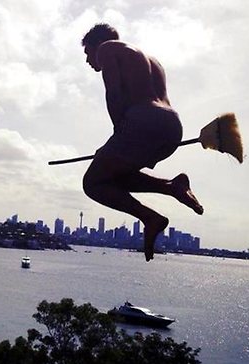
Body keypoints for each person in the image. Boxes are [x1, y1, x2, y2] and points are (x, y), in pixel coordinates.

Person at [80, 23, 203, 261]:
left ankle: (150, 217)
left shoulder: (107, 48)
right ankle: (172, 187)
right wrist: (110, 151)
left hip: (143, 122)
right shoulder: (151, 61)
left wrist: (117, 136)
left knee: (92, 183)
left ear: (97, 43)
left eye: (87, 52)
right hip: (171, 128)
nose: (88, 60)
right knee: (112, 177)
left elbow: (113, 93)